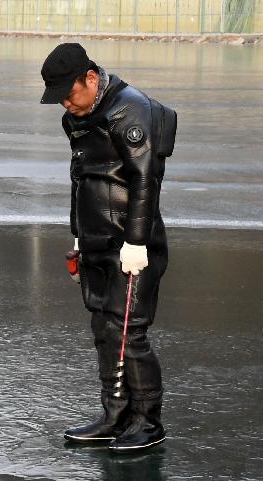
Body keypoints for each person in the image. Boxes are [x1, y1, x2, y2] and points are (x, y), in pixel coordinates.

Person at [40, 43, 177, 451]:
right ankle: (115, 415)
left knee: (128, 333)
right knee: (104, 327)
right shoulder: (79, 117)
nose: (66, 102)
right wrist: (78, 234)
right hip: (96, 238)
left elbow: (144, 181)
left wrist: (136, 242)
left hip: (131, 241)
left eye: (71, 92)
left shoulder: (131, 110)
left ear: (92, 78)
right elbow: (80, 177)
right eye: (60, 97)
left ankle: (148, 422)